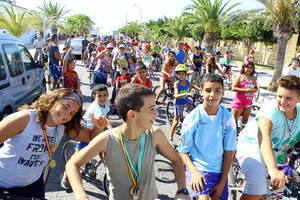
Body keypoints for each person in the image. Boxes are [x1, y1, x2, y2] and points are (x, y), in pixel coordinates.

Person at [66, 84, 191, 200]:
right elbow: (72, 164)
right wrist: (81, 195)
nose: (157, 114)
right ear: (132, 114)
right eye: (152, 109)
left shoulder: (155, 134)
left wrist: (182, 190)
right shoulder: (107, 139)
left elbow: (176, 159)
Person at [0, 88, 108, 199]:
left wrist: (98, 127)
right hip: (3, 183)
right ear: (53, 101)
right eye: (65, 106)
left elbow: (90, 137)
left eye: (72, 113)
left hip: (33, 184)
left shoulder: (63, 126)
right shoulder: (24, 119)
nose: (66, 114)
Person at [236, 75, 300, 200]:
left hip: (276, 150)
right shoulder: (271, 109)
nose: (282, 101)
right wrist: (273, 169)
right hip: (252, 145)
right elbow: (263, 137)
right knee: (258, 188)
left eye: (288, 98)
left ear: (299, 98)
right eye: (280, 96)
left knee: (282, 189)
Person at [177, 73, 237, 200]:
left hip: (220, 172)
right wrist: (194, 173)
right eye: (208, 90)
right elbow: (183, 151)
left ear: (223, 92)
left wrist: (222, 182)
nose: (212, 95)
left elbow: (229, 151)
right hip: (199, 169)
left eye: (217, 91)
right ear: (201, 91)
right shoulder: (193, 118)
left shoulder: (228, 118)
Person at [61, 85, 113, 189]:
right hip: (84, 133)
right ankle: (66, 178)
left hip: (96, 132)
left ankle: (110, 175)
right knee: (77, 159)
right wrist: (112, 130)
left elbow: (105, 117)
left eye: (104, 95)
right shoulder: (95, 108)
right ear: (94, 96)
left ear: (107, 95)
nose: (102, 98)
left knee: (104, 152)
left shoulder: (106, 105)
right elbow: (103, 119)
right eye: (99, 96)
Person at [169, 64, 201, 145]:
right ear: (176, 75)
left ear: (186, 74)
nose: (181, 75)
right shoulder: (177, 83)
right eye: (179, 74)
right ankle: (170, 139)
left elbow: (192, 85)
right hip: (178, 103)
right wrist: (187, 93)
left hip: (186, 101)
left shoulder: (187, 82)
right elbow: (176, 95)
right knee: (176, 121)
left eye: (183, 73)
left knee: (194, 114)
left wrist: (200, 89)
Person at [231, 62, 257, 130]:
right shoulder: (240, 76)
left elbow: (256, 88)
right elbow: (233, 88)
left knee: (245, 120)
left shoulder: (253, 78)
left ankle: (242, 133)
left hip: (248, 103)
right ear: (244, 67)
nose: (249, 69)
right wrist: (246, 90)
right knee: (233, 120)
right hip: (239, 102)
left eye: (251, 68)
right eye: (247, 67)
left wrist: (254, 90)